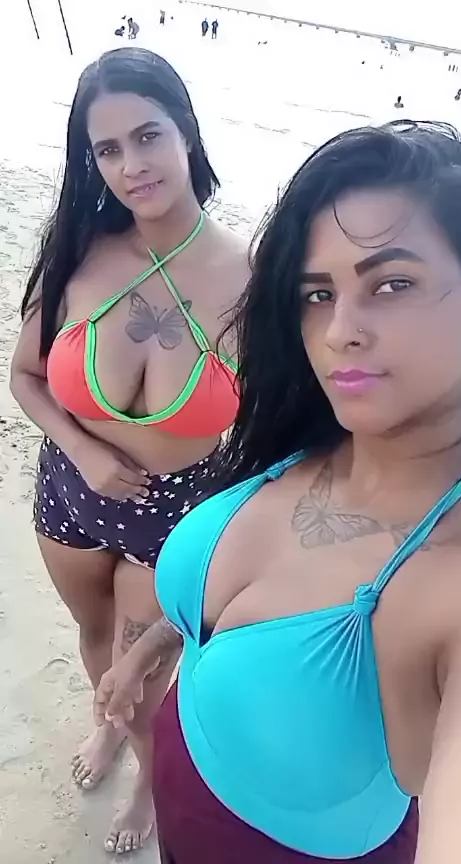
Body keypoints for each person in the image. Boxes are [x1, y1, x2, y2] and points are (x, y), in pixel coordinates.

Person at [96, 120, 461, 862]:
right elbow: (231, 619)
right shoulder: (311, 438)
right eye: (317, 293)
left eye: (393, 284)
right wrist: (150, 652)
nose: (339, 331)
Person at [10, 46, 248, 855]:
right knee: (93, 633)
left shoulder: (253, 278)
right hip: (69, 492)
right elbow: (25, 376)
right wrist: (81, 451)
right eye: (107, 149)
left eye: (147, 137)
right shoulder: (78, 248)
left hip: (175, 513)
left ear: (186, 131)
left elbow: (277, 427)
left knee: (142, 674)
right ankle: (107, 727)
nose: (130, 165)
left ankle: (147, 774)